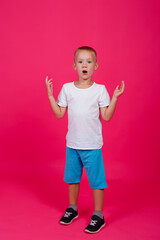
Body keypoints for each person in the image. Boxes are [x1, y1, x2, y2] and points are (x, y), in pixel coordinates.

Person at [45, 46, 125, 234]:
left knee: (97, 182)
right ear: (74, 65)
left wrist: (114, 98)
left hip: (92, 146)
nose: (84, 65)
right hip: (72, 145)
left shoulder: (100, 90)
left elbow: (106, 116)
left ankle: (98, 215)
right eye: (81, 61)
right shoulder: (67, 89)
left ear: (96, 66)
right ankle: (72, 209)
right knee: (72, 179)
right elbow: (59, 114)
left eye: (89, 62)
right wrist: (50, 95)